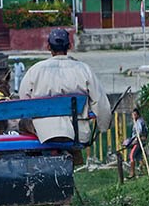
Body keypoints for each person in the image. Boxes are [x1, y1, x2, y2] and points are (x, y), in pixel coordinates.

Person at [17, 28, 111, 166]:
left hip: (44, 134)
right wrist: (103, 127)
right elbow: (101, 103)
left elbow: (23, 101)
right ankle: (73, 154)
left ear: (48, 47)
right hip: (76, 134)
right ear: (70, 46)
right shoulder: (84, 69)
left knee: (22, 123)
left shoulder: (35, 70)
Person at [123, 107, 148, 178]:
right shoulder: (138, 121)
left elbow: (139, 132)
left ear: (137, 115)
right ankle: (145, 171)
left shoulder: (139, 122)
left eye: (134, 115)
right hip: (139, 141)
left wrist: (135, 141)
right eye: (132, 115)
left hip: (138, 142)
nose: (133, 116)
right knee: (139, 157)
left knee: (131, 156)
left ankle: (132, 173)